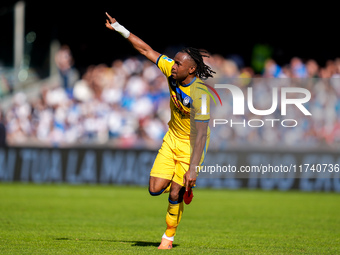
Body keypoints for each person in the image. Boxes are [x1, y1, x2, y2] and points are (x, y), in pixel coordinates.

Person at [105, 12, 215, 249]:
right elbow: (146, 50)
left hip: (191, 146)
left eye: (178, 64)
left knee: (174, 192)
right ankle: (179, 188)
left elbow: (202, 135)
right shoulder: (172, 72)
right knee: (155, 189)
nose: (173, 66)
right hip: (171, 139)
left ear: (192, 69)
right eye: (173, 62)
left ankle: (168, 236)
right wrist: (120, 28)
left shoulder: (201, 96)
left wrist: (193, 169)